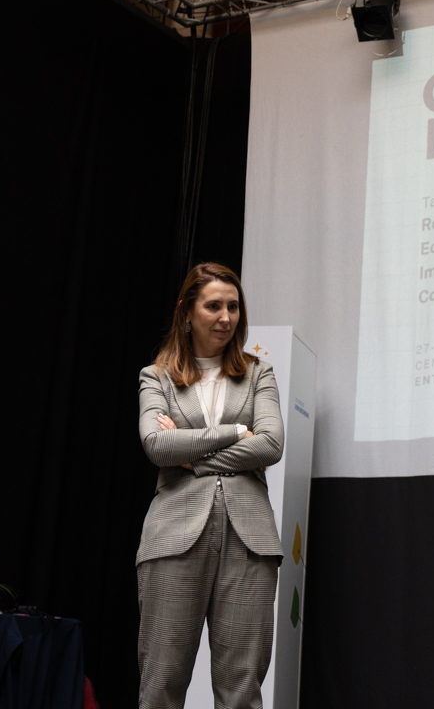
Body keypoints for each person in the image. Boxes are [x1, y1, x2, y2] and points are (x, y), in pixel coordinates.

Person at [135, 262, 285, 709]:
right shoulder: (155, 376)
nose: (226, 317)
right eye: (214, 306)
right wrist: (237, 432)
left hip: (249, 540)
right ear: (187, 311)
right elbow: (156, 447)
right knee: (161, 682)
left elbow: (272, 443)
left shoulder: (259, 373)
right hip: (172, 538)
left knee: (241, 687)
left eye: (234, 307)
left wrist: (190, 456)